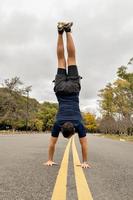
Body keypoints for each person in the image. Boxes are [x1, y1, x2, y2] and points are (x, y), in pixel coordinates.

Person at [44, 22, 91, 168]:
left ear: (73, 131)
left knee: (71, 58)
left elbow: (84, 145)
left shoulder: (79, 124)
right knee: (60, 60)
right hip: (60, 89)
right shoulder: (58, 123)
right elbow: (52, 144)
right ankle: (59, 32)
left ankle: (68, 30)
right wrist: (49, 159)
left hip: (73, 88)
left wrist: (85, 162)